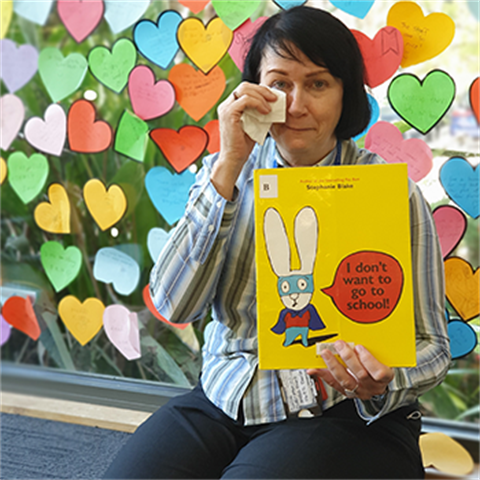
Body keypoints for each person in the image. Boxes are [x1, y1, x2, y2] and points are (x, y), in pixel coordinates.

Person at [104, 6, 450, 479]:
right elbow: (174, 303)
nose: (297, 103)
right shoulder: (228, 173)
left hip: (340, 412)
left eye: (318, 83)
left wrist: (386, 380)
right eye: (280, 83)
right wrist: (227, 165)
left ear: (346, 93)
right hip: (228, 396)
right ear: (253, 91)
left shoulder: (389, 192)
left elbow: (433, 346)